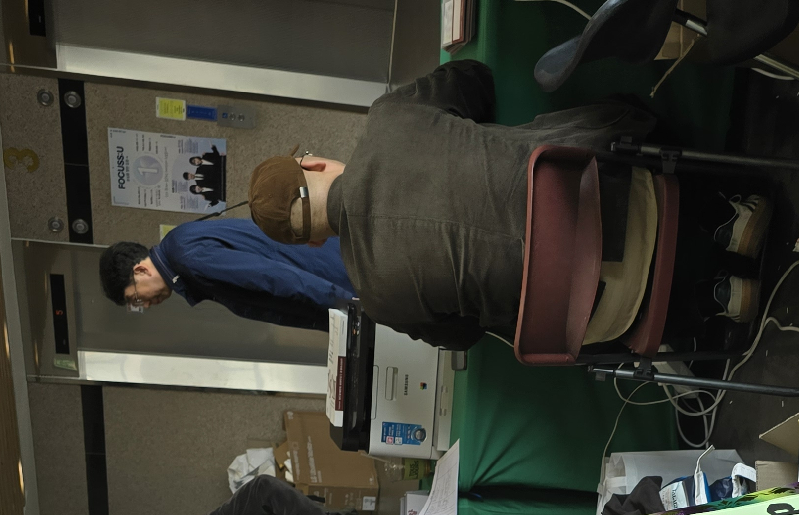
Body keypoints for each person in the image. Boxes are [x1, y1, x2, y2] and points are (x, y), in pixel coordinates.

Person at [248, 61, 675, 351]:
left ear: (312, 243)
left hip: (605, 312)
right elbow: (475, 78)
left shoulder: (379, 301)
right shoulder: (390, 117)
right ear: (315, 164)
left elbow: (464, 336)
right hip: (626, 189)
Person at [98, 215, 354, 331]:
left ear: (141, 270)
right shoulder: (179, 249)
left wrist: (351, 307)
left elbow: (273, 277)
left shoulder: (187, 257)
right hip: (331, 273)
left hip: (338, 277)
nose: (145, 305)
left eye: (136, 298)